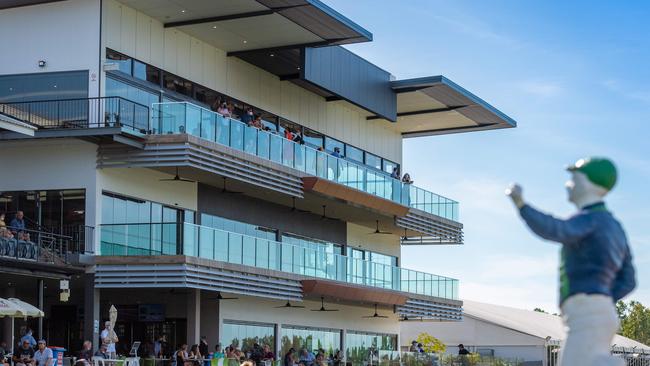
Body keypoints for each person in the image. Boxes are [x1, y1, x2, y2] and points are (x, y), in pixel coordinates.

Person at [506, 157, 636, 366]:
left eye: (573, 179)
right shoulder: (616, 227)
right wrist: (602, 298)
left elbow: (556, 229)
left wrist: (521, 205)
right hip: (601, 313)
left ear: (585, 183)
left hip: (587, 313)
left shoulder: (590, 219)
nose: (568, 184)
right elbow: (629, 280)